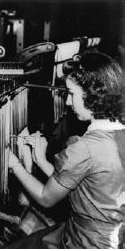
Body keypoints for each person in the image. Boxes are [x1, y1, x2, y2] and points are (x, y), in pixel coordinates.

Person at [8, 52, 125, 249]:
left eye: (72, 94)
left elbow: (46, 198)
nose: (68, 103)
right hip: (115, 237)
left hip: (86, 242)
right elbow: (83, 184)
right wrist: (41, 161)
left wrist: (14, 164)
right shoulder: (119, 132)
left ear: (92, 94)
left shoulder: (85, 147)